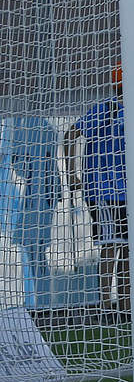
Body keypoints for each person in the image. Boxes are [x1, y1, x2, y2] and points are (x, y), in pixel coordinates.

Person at [62, 68, 130, 313]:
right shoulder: (108, 109)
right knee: (110, 245)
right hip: (103, 190)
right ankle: (105, 305)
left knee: (129, 247)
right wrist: (72, 173)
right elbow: (71, 134)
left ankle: (125, 305)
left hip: (129, 191)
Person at [0, 115, 60, 309]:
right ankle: (39, 300)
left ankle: (42, 302)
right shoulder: (37, 127)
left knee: (36, 252)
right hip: (39, 198)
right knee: (34, 252)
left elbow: (23, 167)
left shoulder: (37, 127)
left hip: (41, 200)